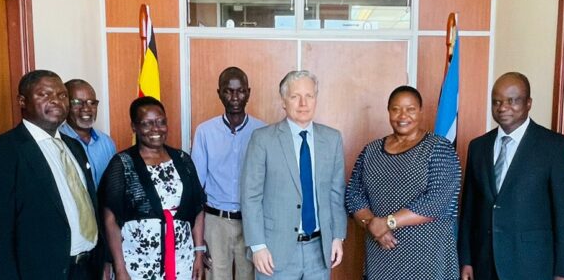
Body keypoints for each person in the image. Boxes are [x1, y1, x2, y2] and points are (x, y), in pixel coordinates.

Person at [0, 69, 101, 279]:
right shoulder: (0, 153)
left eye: (61, 95)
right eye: (44, 95)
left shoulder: (73, 147)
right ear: (22, 101)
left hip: (85, 270)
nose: (56, 101)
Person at [458, 72, 564, 280]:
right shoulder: (478, 147)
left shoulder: (555, 147)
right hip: (484, 263)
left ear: (528, 103)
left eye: (512, 101)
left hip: (532, 266)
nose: (503, 107)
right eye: (497, 101)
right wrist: (466, 258)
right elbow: (469, 209)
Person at [345, 85, 461, 280]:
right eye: (396, 109)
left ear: (421, 111)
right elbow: (353, 195)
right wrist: (372, 224)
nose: (402, 115)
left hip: (427, 259)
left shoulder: (439, 149)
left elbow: (437, 201)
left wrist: (388, 223)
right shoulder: (371, 151)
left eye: (410, 109)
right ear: (388, 111)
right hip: (381, 256)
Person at [241, 70, 346, 279]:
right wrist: (258, 246)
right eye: (295, 96)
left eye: (309, 96)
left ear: (316, 99)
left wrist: (338, 237)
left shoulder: (332, 139)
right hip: (274, 251)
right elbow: (250, 196)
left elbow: (336, 192)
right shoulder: (263, 139)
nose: (303, 103)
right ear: (283, 101)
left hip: (319, 249)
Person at [99, 96, 206, 280]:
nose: (155, 129)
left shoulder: (182, 159)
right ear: (134, 127)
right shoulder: (122, 164)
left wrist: (198, 252)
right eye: (146, 124)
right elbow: (110, 220)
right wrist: (119, 267)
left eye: (160, 122)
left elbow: (197, 208)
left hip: (181, 259)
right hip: (137, 264)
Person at [192, 67, 265, 280]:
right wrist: (198, 240)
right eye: (228, 91)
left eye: (240, 91)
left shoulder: (262, 132)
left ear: (248, 93)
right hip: (216, 222)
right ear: (219, 93)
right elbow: (197, 187)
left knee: (250, 277)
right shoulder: (205, 132)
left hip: (251, 221)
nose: (234, 97)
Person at [60, 79, 117, 187]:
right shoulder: (57, 142)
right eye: (77, 102)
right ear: (65, 105)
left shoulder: (107, 142)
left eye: (92, 103)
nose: (86, 108)